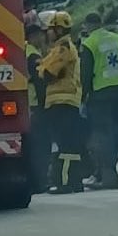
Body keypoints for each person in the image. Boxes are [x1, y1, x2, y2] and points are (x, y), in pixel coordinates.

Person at [80, 12, 118, 190]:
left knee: (103, 135)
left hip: (100, 95)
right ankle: (107, 172)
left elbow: (85, 75)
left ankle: (107, 175)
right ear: (100, 23)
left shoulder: (89, 43)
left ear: (87, 25)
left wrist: (82, 98)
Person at [37, 11, 84, 194]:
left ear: (57, 29)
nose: (47, 33)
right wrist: (42, 68)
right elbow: (42, 68)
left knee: (66, 145)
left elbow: (47, 74)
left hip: (63, 102)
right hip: (62, 103)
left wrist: (42, 70)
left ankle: (66, 183)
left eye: (50, 29)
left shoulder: (63, 48)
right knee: (68, 144)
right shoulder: (57, 48)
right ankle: (73, 181)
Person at [25, 23, 50, 193]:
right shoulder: (33, 54)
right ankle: (40, 182)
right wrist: (45, 104)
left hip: (29, 104)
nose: (43, 38)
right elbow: (40, 82)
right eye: (40, 35)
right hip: (35, 104)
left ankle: (35, 181)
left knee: (33, 146)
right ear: (34, 36)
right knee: (41, 146)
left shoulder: (25, 51)